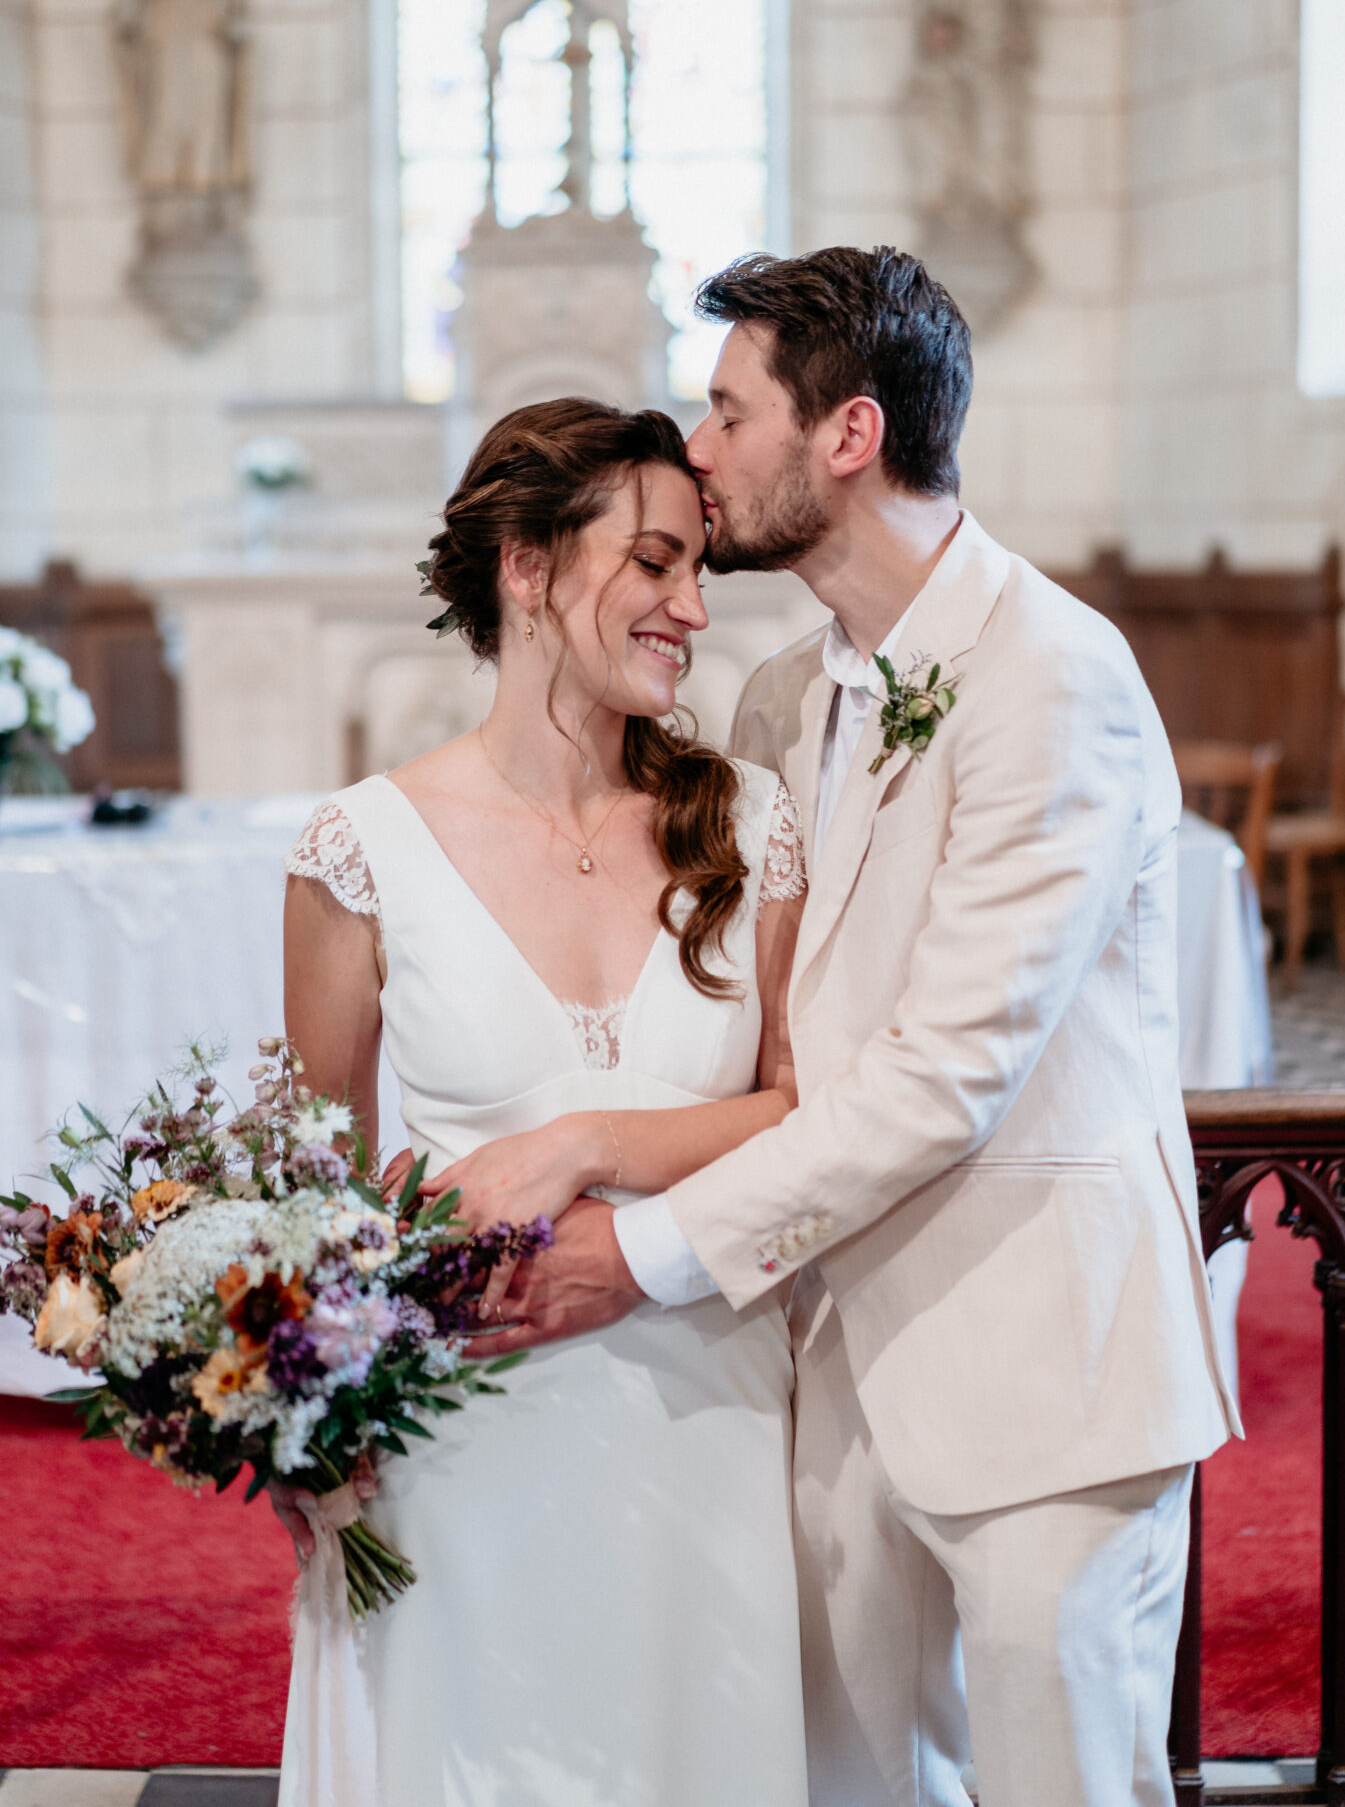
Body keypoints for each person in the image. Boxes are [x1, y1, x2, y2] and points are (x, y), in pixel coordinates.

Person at [472, 248, 1242, 1807]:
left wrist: (637, 1251)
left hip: (1042, 1380)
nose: (696, 448)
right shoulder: (775, 702)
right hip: (822, 1374)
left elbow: (947, 1078)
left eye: (727, 408)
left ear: (846, 435)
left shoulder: (1051, 678)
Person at [272, 398, 810, 1807]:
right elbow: (310, 1188)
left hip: (721, 1425)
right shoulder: (358, 850)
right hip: (463, 1442)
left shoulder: (753, 822)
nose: (691, 606)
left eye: (699, 568)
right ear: (524, 564)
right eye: (653, 563)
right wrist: (304, 1431)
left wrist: (585, 1143)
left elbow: (814, 1110)